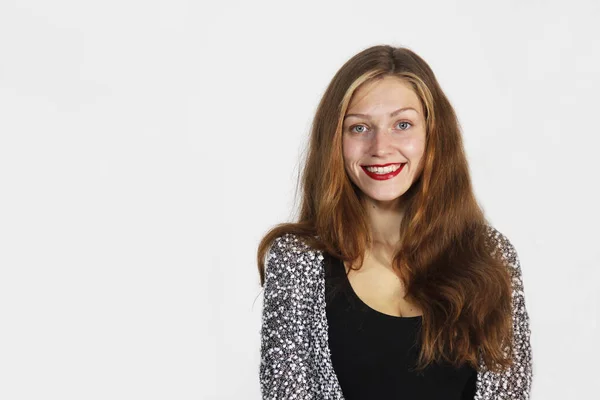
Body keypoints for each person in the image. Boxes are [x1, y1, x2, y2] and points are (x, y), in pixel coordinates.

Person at [256, 45, 532, 400]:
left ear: (434, 134)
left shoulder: (492, 256)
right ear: (334, 140)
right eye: (359, 128)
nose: (381, 147)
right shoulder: (297, 261)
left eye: (402, 124)